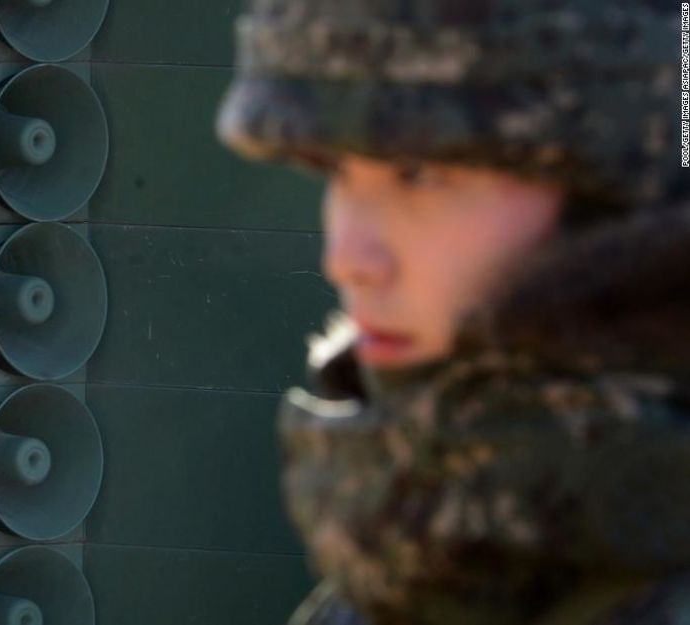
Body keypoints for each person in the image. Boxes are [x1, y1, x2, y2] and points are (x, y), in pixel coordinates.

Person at [216, 1, 690, 624]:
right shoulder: (420, 557)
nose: (348, 258)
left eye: (419, 174)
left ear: (612, 198)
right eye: (336, 171)